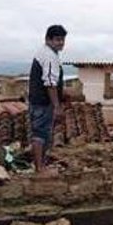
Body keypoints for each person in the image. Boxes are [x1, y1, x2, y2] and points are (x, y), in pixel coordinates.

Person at [28, 24, 67, 175]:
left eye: (63, 40)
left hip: (37, 101)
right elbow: (50, 83)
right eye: (57, 40)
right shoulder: (50, 56)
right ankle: (39, 168)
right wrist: (57, 106)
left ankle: (40, 165)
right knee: (41, 134)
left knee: (42, 134)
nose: (61, 43)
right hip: (43, 103)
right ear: (48, 39)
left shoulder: (45, 53)